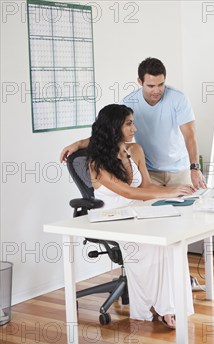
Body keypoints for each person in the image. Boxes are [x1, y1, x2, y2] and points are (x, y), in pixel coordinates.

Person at [88, 103, 196, 328]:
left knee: (173, 237)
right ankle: (157, 307)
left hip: (138, 209)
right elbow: (127, 191)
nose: (134, 128)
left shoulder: (134, 150)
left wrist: (178, 192)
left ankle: (171, 303)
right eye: (129, 124)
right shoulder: (96, 162)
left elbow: (145, 186)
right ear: (113, 127)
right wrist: (169, 191)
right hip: (113, 216)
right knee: (151, 244)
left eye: (133, 122)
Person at [60, 57, 206, 190]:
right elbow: (109, 133)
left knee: (186, 211)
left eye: (161, 84)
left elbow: (190, 136)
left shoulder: (178, 99)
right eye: (150, 86)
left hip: (180, 170)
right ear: (140, 82)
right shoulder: (129, 103)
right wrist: (79, 144)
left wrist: (195, 167)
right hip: (149, 171)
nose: (157, 90)